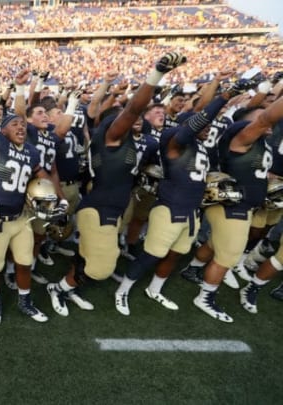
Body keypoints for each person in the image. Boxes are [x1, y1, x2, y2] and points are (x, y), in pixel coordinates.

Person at [46, 52, 187, 316]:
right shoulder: (109, 137)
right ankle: (59, 288)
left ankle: (68, 287)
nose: (131, 120)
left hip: (114, 208)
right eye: (122, 118)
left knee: (88, 256)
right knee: (100, 267)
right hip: (98, 208)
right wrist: (155, 75)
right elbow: (134, 108)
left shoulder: (133, 143)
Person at [113, 78, 239, 315]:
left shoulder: (202, 147)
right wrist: (224, 96)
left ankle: (155, 289)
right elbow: (197, 122)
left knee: (175, 254)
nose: (208, 128)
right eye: (202, 125)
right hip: (170, 208)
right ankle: (122, 291)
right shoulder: (174, 141)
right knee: (152, 255)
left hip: (192, 211)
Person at [0, 69, 56, 324]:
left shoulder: (31, 151)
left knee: (25, 262)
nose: (20, 126)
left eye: (23, 124)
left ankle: (25, 301)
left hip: (21, 217)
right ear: (2, 130)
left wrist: (54, 199)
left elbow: (42, 177)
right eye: (14, 123)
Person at [189, 91, 283, 322]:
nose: (268, 120)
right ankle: (205, 297)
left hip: (241, 204)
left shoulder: (261, 144)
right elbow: (266, 118)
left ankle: (192, 268)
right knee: (229, 256)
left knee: (214, 244)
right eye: (261, 117)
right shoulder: (241, 138)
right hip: (232, 204)